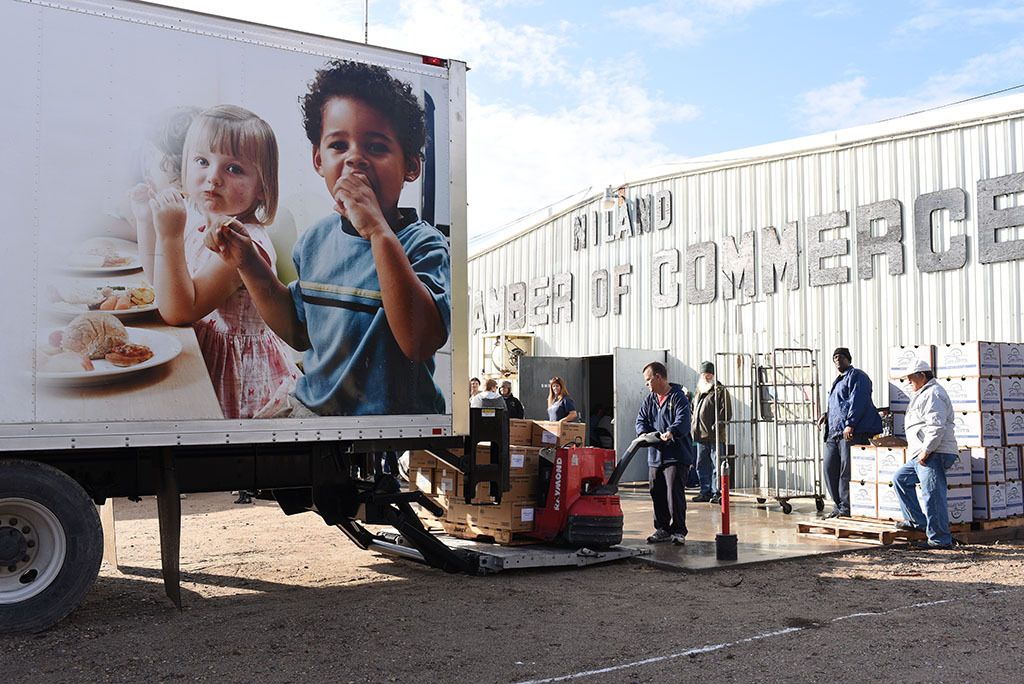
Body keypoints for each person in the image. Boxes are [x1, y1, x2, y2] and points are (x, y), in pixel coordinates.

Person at [209, 60, 450, 416]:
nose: (356, 159)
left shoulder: (423, 244)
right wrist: (248, 262)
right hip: (314, 411)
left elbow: (418, 342)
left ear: (411, 167)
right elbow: (297, 330)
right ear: (318, 159)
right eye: (339, 145)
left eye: (377, 147)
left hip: (385, 426)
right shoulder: (315, 240)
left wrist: (378, 232)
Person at [131, 105, 298, 419]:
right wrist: (146, 222)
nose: (213, 178)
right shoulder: (202, 224)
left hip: (236, 376)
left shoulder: (240, 243)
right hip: (203, 351)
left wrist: (169, 236)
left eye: (233, 169)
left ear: (262, 187)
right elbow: (161, 286)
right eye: (202, 161)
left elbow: (179, 311)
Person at [891, 359, 959, 549]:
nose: (909, 382)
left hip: (935, 451)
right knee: (900, 479)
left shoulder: (933, 394)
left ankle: (940, 540)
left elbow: (936, 426)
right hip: (923, 452)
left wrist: (927, 450)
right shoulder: (923, 393)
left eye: (911, 379)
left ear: (922, 376)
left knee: (932, 493)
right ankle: (918, 523)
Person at [816, 347, 883, 518]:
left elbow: (858, 400)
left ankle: (847, 508)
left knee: (847, 471)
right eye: (835, 357)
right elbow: (839, 404)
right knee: (829, 469)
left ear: (848, 359)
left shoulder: (857, 376)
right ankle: (838, 506)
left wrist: (850, 424)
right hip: (833, 433)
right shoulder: (838, 380)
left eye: (841, 357)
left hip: (850, 432)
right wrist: (826, 415)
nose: (838, 360)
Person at [636, 361, 692, 545]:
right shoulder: (650, 399)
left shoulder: (678, 397)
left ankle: (678, 530)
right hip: (655, 456)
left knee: (673, 493)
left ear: (658, 377)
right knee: (656, 492)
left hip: (675, 455)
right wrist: (644, 434)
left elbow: (683, 420)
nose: (647, 385)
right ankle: (662, 529)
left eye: (648, 380)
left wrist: (672, 432)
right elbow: (641, 420)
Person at [691, 361, 732, 504]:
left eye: (709, 374)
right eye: (704, 374)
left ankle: (717, 493)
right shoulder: (698, 391)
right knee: (701, 465)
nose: (706, 376)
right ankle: (705, 491)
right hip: (700, 436)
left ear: (713, 375)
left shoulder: (720, 390)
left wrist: (717, 427)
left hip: (715, 436)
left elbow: (726, 412)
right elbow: (693, 410)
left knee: (717, 465)